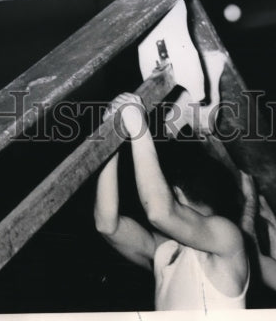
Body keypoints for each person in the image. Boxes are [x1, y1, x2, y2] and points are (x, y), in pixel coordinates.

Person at [94, 91, 250, 311]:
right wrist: (111, 140)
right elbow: (108, 226)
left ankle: (196, 114)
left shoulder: (227, 239)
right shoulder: (170, 253)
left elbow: (160, 212)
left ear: (176, 194)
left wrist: (137, 127)